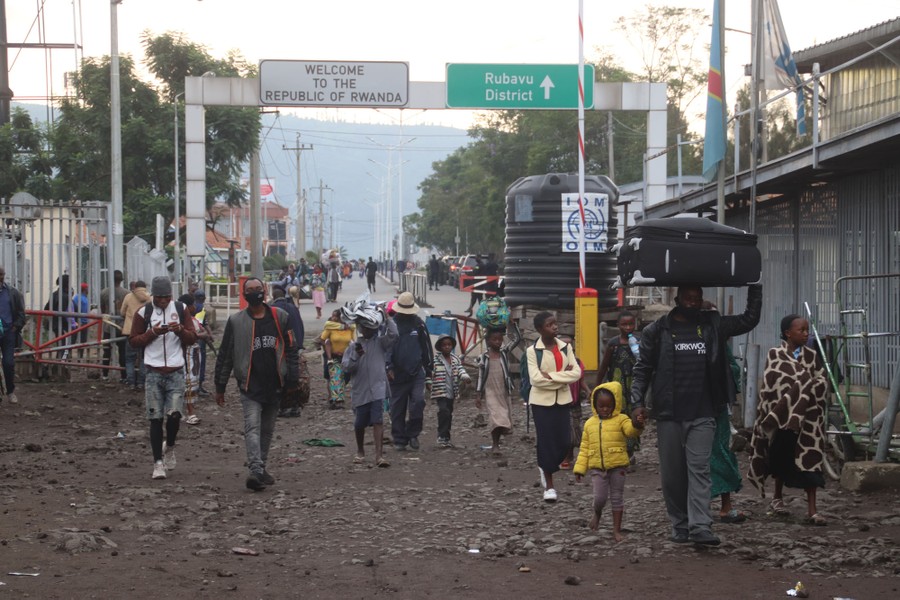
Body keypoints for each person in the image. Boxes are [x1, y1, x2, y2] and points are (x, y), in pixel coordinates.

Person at [631, 283, 762, 545]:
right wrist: (636, 403)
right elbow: (643, 368)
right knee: (673, 475)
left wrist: (754, 285)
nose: (692, 302)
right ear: (677, 299)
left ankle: (701, 526)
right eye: (688, 298)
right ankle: (680, 524)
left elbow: (750, 319)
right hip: (669, 414)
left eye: (697, 298)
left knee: (700, 469)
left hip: (704, 412)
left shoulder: (714, 324)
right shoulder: (656, 331)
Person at [214, 277, 300, 491]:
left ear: (265, 291)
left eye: (258, 289)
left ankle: (259, 468)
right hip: (249, 385)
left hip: (275, 384)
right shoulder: (236, 322)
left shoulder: (280, 317)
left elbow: (291, 350)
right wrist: (220, 386)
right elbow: (225, 355)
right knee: (252, 427)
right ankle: (255, 469)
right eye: (250, 290)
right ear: (244, 294)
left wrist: (292, 380)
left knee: (267, 430)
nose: (255, 293)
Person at [747, 314, 829, 526]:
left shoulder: (811, 356)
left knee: (810, 460)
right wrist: (789, 396)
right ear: (787, 333)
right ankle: (777, 498)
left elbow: (821, 381)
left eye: (806, 329)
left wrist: (806, 388)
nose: (805, 333)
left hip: (808, 420)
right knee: (781, 459)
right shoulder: (775, 354)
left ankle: (812, 510)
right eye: (801, 330)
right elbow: (770, 384)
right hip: (783, 420)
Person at [129, 276, 198, 480]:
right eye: (160, 298)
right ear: (154, 297)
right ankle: (157, 462)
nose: (164, 301)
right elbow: (133, 341)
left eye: (167, 297)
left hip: (176, 371)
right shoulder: (143, 313)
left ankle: (171, 444)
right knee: (155, 418)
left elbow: (192, 337)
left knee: (175, 415)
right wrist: (152, 333)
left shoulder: (181, 309)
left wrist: (180, 332)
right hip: (153, 371)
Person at [573, 382, 645, 542]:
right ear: (595, 405)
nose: (605, 409)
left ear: (615, 404)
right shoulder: (589, 424)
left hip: (618, 466)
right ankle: (597, 513)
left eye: (608, 406)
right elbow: (584, 448)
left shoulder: (622, 419)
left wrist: (637, 424)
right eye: (601, 406)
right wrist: (580, 469)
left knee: (617, 497)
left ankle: (616, 530)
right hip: (597, 468)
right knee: (599, 498)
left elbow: (631, 431)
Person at [527, 311, 582, 502]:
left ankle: (545, 466)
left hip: (563, 400)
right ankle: (549, 486)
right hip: (541, 402)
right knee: (545, 441)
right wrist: (562, 377)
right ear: (540, 329)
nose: (555, 327)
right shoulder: (533, 351)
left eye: (555, 324)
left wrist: (550, 376)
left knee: (565, 441)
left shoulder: (566, 348)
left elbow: (576, 373)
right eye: (550, 325)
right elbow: (535, 379)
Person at [342, 304, 398, 467]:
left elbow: (394, 334)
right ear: (360, 328)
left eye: (371, 328)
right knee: (359, 423)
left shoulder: (380, 343)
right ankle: (360, 451)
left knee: (378, 420)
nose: (368, 331)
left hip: (378, 389)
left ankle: (379, 456)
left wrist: (387, 317)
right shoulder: (353, 347)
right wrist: (356, 357)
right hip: (360, 391)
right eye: (365, 328)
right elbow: (346, 368)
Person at [387, 291, 433, 451]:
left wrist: (429, 370)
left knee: (418, 402)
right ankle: (399, 439)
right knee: (397, 408)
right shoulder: (391, 325)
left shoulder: (419, 324)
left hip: (416, 373)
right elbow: (387, 348)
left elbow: (426, 347)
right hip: (397, 374)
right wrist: (389, 366)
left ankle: (413, 432)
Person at [597, 311, 641, 462]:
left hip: (634, 385)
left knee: (633, 416)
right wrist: (597, 388)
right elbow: (604, 367)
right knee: (617, 415)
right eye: (624, 324)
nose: (628, 327)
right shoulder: (613, 344)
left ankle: (630, 451)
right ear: (618, 325)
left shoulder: (639, 342)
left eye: (631, 324)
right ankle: (619, 449)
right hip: (617, 386)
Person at [474, 328, 515, 455]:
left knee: (503, 416)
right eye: (494, 339)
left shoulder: (504, 352)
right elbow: (481, 375)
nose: (498, 342)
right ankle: (495, 445)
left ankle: (500, 435)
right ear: (488, 341)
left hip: (503, 390)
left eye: (500, 339)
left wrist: (513, 325)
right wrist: (478, 394)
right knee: (495, 418)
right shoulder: (484, 357)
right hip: (490, 391)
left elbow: (517, 339)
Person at [430, 334, 471, 448]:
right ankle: (441, 435)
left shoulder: (455, 359)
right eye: (444, 345)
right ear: (440, 347)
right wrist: (429, 383)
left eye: (449, 345)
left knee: (449, 414)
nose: (447, 347)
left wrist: (465, 377)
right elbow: (430, 373)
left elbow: (460, 370)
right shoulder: (435, 360)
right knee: (444, 411)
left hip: (452, 392)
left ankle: (446, 437)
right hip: (440, 391)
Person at [272, 286, 307, 417]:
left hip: (280, 349)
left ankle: (283, 406)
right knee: (295, 376)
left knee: (280, 377)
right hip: (295, 347)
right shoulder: (293, 308)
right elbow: (300, 326)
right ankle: (295, 406)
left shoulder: (272, 310)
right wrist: (299, 345)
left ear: (273, 297)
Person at [177, 293, 210, 425]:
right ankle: (190, 413)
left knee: (191, 381)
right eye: (192, 304)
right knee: (188, 382)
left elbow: (203, 332)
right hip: (187, 355)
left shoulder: (193, 319)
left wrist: (197, 335)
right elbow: (198, 334)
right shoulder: (182, 321)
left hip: (194, 355)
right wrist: (198, 335)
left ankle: (183, 412)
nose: (195, 306)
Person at [560, 335, 590, 470]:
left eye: (570, 345)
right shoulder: (556, 362)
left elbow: (581, 380)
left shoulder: (577, 362)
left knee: (575, 428)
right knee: (566, 429)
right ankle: (567, 456)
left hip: (575, 402)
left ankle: (570, 454)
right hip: (561, 402)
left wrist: (589, 392)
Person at [319, 309, 356, 409]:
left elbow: (353, 342)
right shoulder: (330, 327)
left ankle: (336, 396)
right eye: (333, 316)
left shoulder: (350, 329)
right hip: (333, 356)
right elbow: (322, 340)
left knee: (345, 377)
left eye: (336, 317)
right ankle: (337, 400)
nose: (333, 318)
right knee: (335, 377)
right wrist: (329, 351)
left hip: (346, 357)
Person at [0, 266, 26, 405]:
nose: (1, 277)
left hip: (8, 333)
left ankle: (10, 392)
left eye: (2, 274)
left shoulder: (12, 293)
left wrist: (15, 327)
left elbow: (22, 313)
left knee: (8, 363)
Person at [120, 280, 150, 390]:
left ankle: (131, 382)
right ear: (145, 287)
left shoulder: (128, 297)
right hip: (144, 332)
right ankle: (141, 383)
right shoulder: (150, 298)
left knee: (129, 359)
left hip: (130, 331)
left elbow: (122, 312)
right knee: (143, 358)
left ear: (135, 287)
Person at [100, 270, 128, 383]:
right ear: (121, 280)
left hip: (108, 326)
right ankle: (123, 375)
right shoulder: (126, 293)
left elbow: (103, 310)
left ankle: (105, 374)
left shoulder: (104, 292)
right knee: (123, 352)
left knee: (106, 351)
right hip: (121, 327)